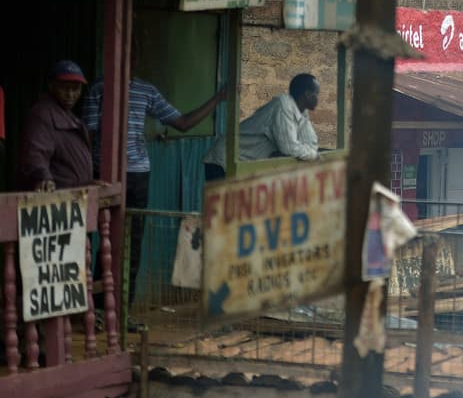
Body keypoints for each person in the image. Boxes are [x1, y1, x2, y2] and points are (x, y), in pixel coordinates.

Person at [83, 73, 225, 305]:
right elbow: (87, 133)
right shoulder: (99, 88)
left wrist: (218, 98)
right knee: (104, 239)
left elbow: (183, 123)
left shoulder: (146, 90)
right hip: (103, 174)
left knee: (133, 242)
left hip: (138, 173)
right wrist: (87, 174)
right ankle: (99, 307)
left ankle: (122, 308)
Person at [203, 73, 320, 180]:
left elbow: (311, 143)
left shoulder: (302, 113)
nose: (318, 98)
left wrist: (310, 152)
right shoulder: (283, 105)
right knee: (226, 203)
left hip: (243, 163)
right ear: (308, 95)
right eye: (317, 93)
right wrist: (313, 155)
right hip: (223, 160)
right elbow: (289, 148)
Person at [19, 60, 93, 191]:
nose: (70, 94)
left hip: (76, 199)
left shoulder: (70, 116)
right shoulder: (43, 113)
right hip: (57, 201)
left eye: (75, 89)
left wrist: (89, 183)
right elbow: (35, 152)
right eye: (64, 88)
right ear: (51, 86)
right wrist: (43, 178)